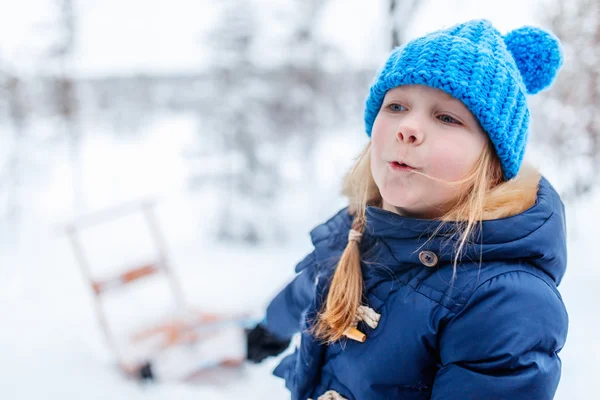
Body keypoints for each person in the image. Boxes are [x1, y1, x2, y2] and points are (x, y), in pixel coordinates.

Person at [246, 19, 568, 400]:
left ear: (493, 162)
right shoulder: (359, 228)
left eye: (447, 117)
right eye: (396, 106)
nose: (408, 128)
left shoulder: (505, 303)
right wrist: (269, 329)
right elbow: (313, 288)